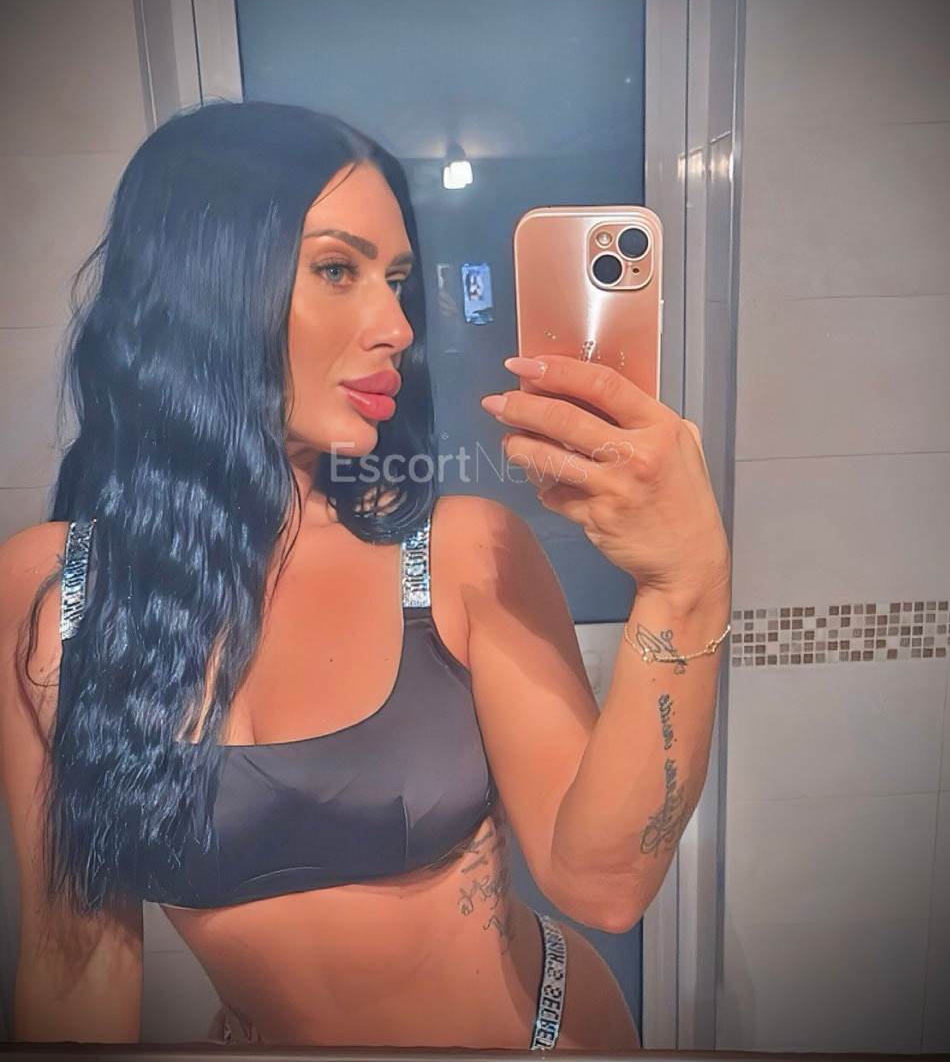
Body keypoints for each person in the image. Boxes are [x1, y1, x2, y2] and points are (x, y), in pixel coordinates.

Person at [0, 100, 732, 1049]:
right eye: (337, 270)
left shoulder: (458, 554)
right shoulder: (55, 595)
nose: (395, 326)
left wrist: (683, 584)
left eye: (396, 282)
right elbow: (76, 959)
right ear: (200, 285)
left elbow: (603, 884)